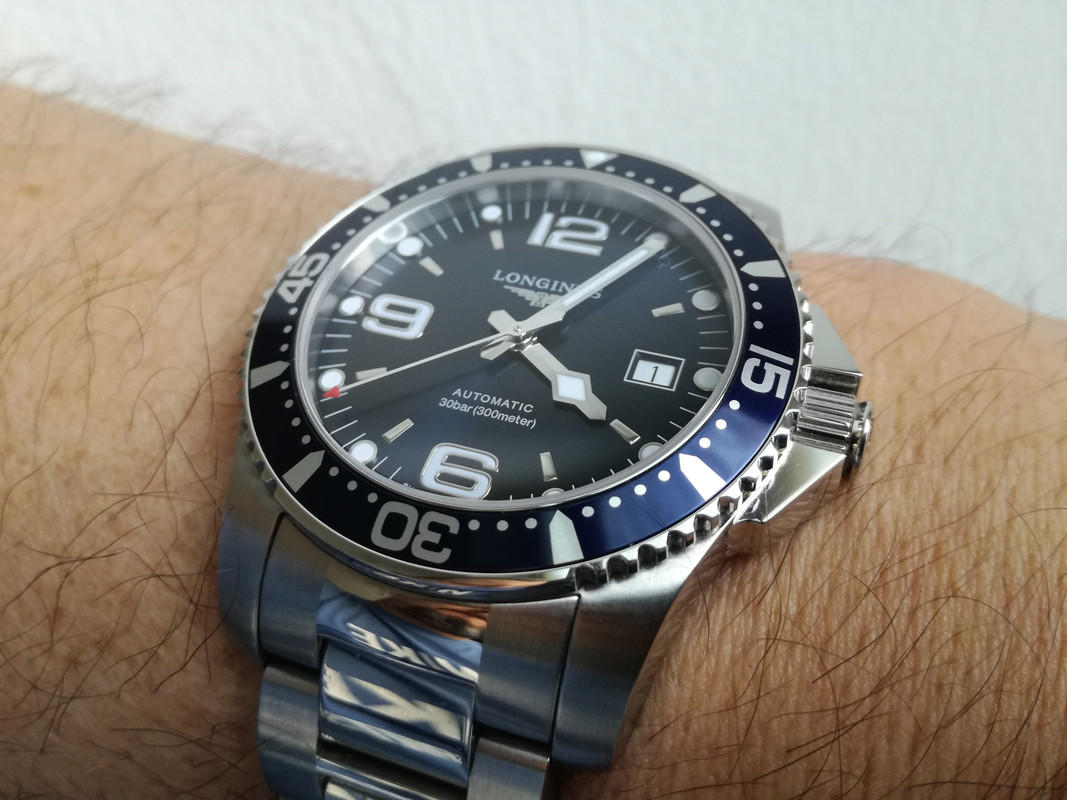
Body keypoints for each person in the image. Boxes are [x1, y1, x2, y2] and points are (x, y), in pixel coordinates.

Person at [1, 83, 1063, 799]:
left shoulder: (755, 414)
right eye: (512, 330)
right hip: (333, 532)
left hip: (540, 589)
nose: (515, 338)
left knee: (533, 722)